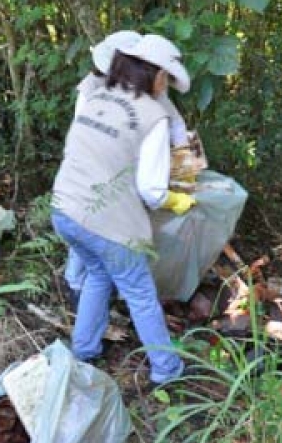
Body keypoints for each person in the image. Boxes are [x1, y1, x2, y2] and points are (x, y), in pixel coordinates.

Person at [51, 34, 195, 384]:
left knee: (99, 275)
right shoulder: (153, 116)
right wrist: (177, 199)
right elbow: (151, 190)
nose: (167, 85)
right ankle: (166, 370)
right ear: (154, 74)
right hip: (106, 224)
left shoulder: (97, 95)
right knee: (140, 293)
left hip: (64, 210)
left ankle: (83, 350)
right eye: (166, 76)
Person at [62, 30, 191, 306]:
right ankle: (75, 285)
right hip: (98, 176)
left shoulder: (149, 91)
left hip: (127, 174)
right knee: (92, 233)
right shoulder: (91, 91)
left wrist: (185, 166)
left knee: (101, 251)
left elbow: (177, 125)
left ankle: (96, 295)